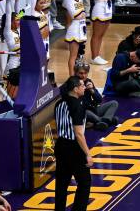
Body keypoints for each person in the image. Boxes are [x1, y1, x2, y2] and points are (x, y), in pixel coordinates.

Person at [54, 76, 93, 211]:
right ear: (75, 89)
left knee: (61, 184)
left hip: (60, 146)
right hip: (74, 148)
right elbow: (78, 134)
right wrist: (88, 153)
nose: (84, 87)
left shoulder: (59, 104)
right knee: (84, 182)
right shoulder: (77, 105)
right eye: (82, 85)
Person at [74, 62, 118, 130]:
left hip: (93, 109)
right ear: (75, 73)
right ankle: (105, 120)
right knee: (85, 111)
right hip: (83, 112)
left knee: (114, 103)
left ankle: (103, 121)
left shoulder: (88, 81)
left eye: (86, 73)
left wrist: (92, 90)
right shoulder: (72, 83)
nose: (83, 76)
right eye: (81, 73)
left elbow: (99, 100)